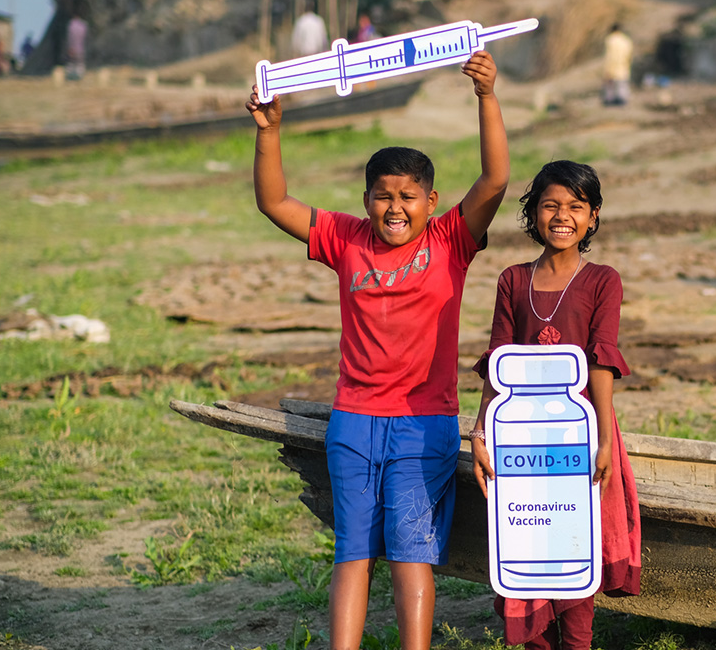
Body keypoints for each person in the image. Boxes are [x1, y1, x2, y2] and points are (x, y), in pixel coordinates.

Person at [244, 49, 511, 650]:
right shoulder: (344, 237)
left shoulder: (451, 241)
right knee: (354, 549)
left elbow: (495, 179)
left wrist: (486, 95)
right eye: (383, 196)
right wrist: (270, 133)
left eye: (409, 196)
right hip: (355, 421)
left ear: (432, 201)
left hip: (426, 424)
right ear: (366, 199)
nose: (396, 208)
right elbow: (273, 202)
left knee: (411, 551)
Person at [469, 160, 642, 650]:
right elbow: (497, 362)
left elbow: (601, 365)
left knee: (573, 545)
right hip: (521, 438)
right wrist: (481, 432)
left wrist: (605, 441)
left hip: (578, 436)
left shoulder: (603, 280)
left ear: (593, 216)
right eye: (551, 205)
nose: (562, 215)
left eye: (575, 206)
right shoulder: (512, 279)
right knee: (525, 541)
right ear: (533, 214)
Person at [602, 24, 633, 106]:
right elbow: (629, 55)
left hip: (612, 65)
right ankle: (622, 101)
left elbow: (608, 55)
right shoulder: (626, 41)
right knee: (622, 84)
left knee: (610, 85)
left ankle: (609, 101)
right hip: (623, 65)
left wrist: (606, 67)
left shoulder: (609, 40)